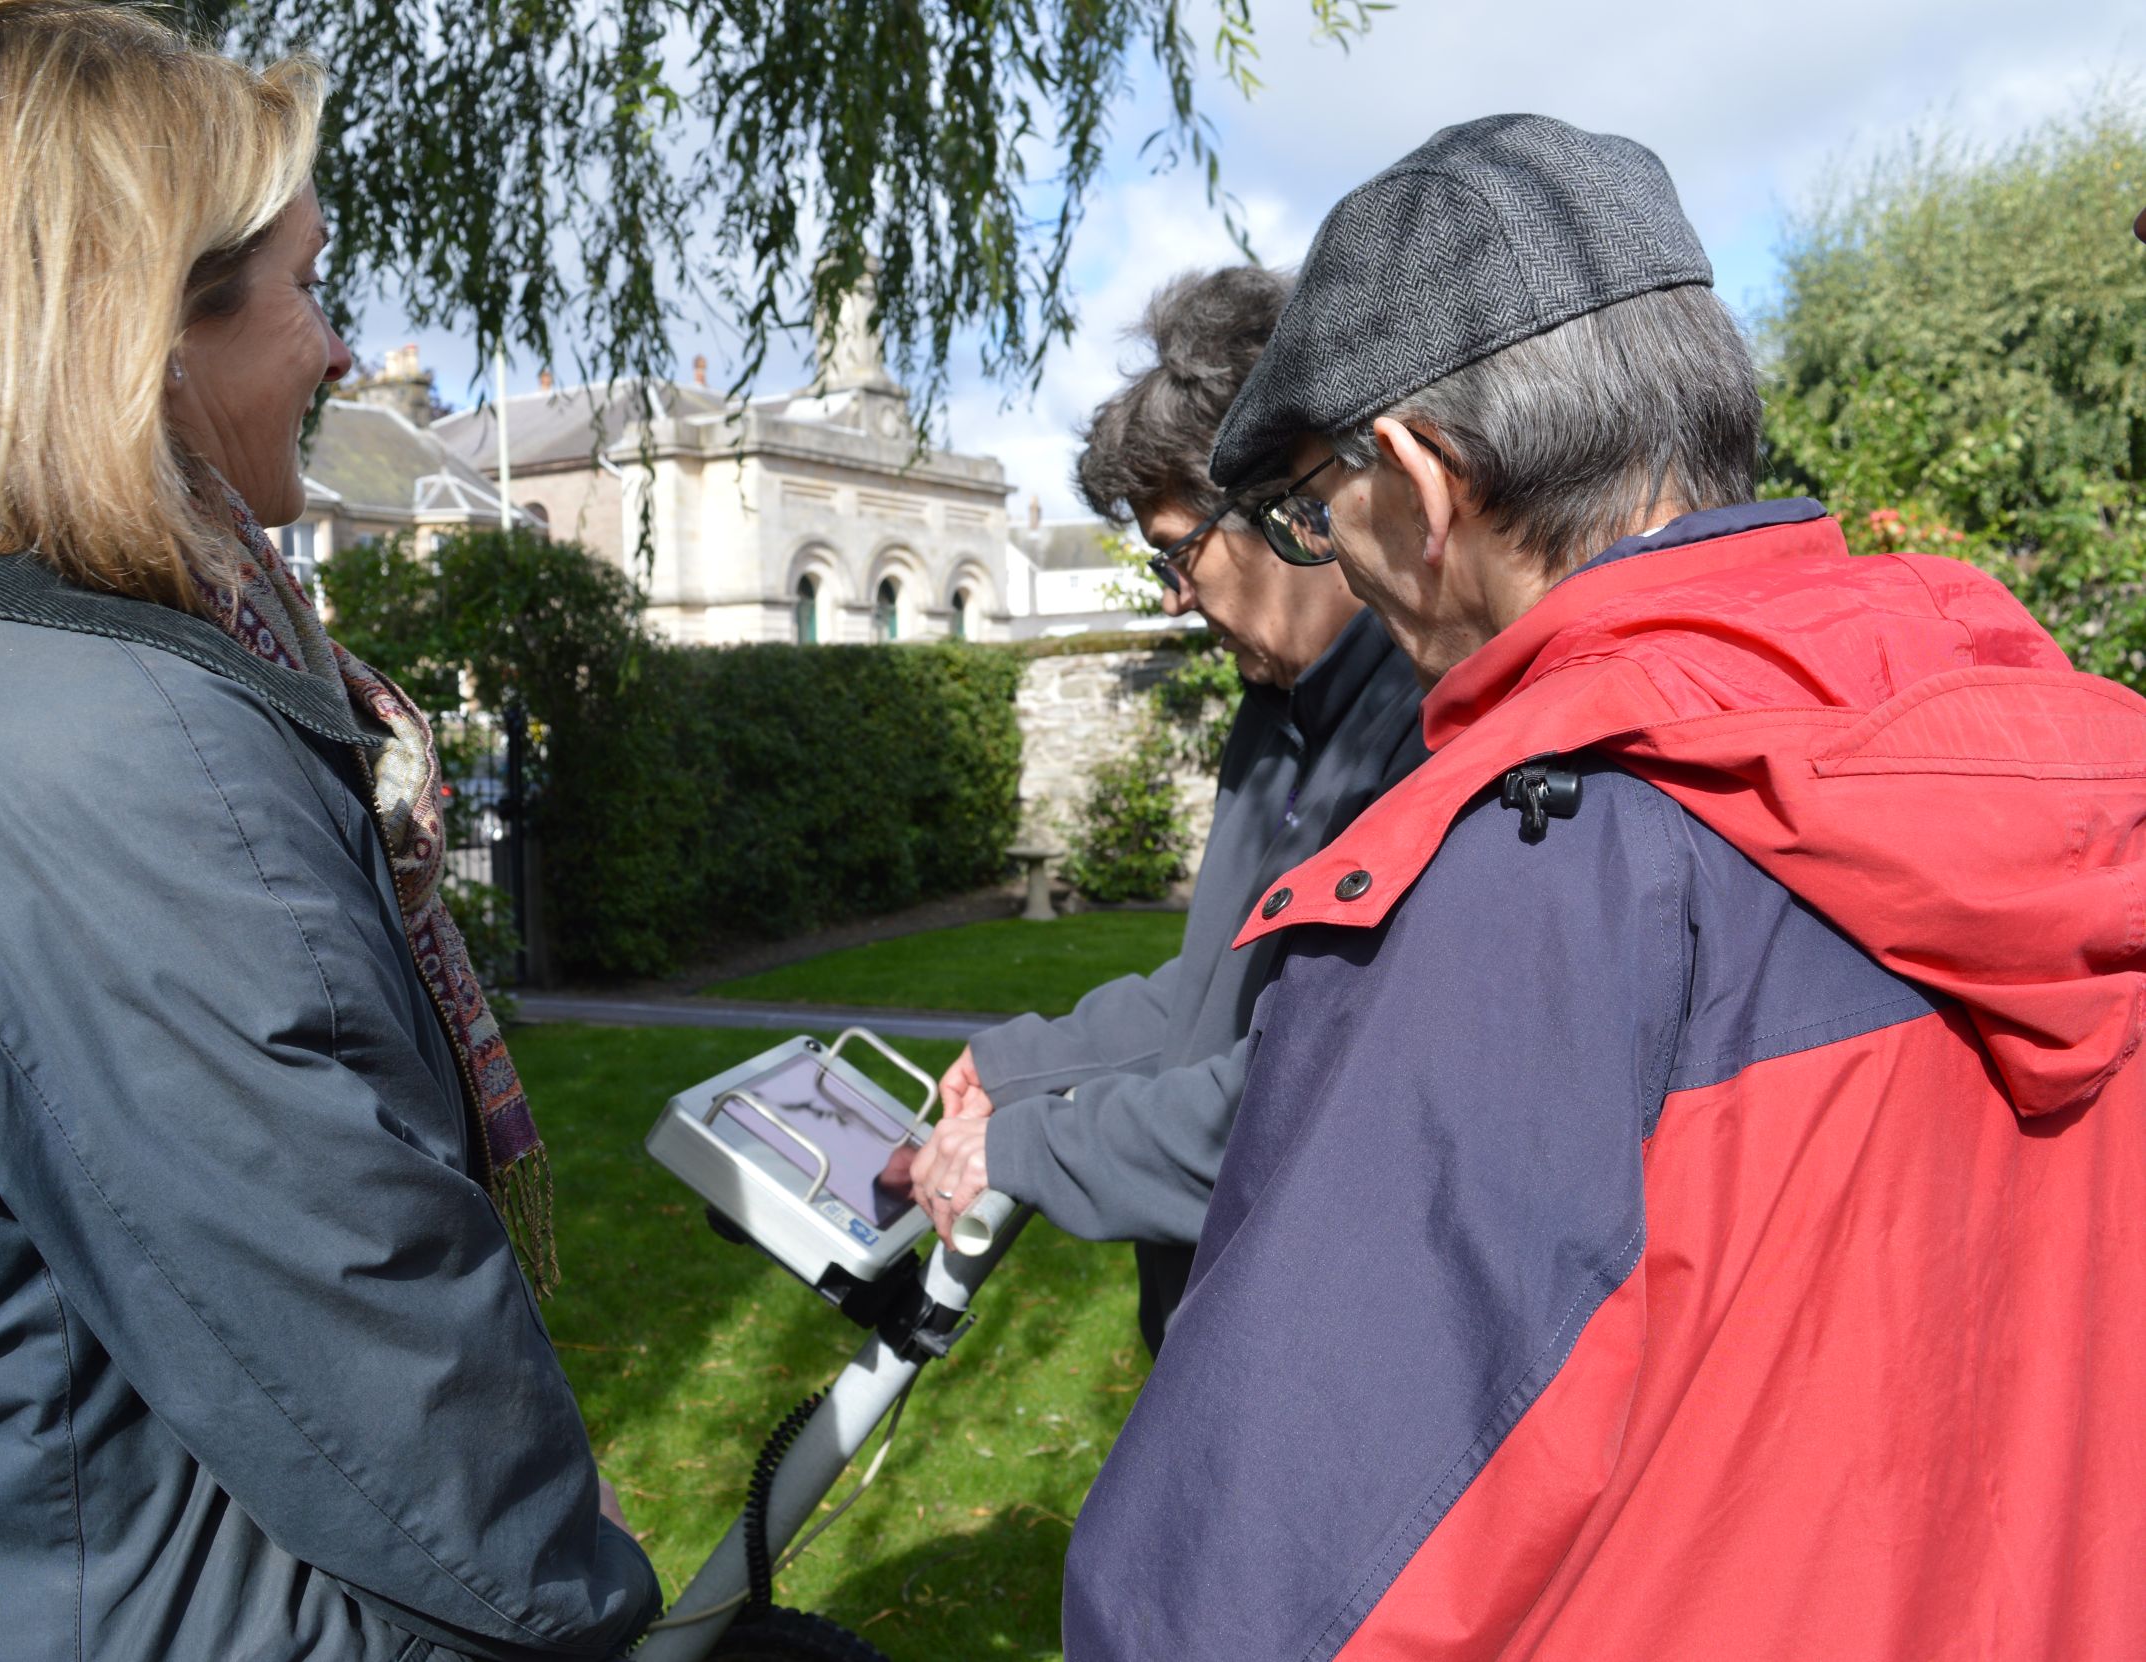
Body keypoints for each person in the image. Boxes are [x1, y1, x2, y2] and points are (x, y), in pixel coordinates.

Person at [1063, 114, 2146, 1658]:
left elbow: (1241, 1591)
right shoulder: (2082, 783)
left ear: (1423, 480)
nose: (1334, 556)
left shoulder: (1526, 884)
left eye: (1315, 503)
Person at [0, 4, 656, 1657]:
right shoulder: (118, 759)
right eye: (305, 284)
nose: (336, 351)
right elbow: (399, 1398)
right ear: (131, 330)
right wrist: (591, 1598)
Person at [898, 266, 1424, 1354]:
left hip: (1331, 1360)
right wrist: (1017, 1069)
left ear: (1291, 508)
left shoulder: (1427, 734)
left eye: (1176, 555)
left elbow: (1321, 1091)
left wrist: (1031, 1148)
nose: (1177, 601)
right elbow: (1224, 994)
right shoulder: (1276, 713)